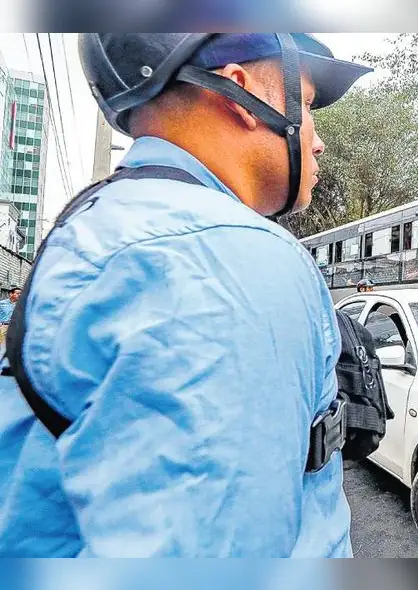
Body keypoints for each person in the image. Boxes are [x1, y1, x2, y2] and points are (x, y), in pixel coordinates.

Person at [0, 34, 371, 556]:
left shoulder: (97, 225)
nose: (317, 140)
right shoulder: (230, 256)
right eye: (307, 105)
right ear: (240, 92)